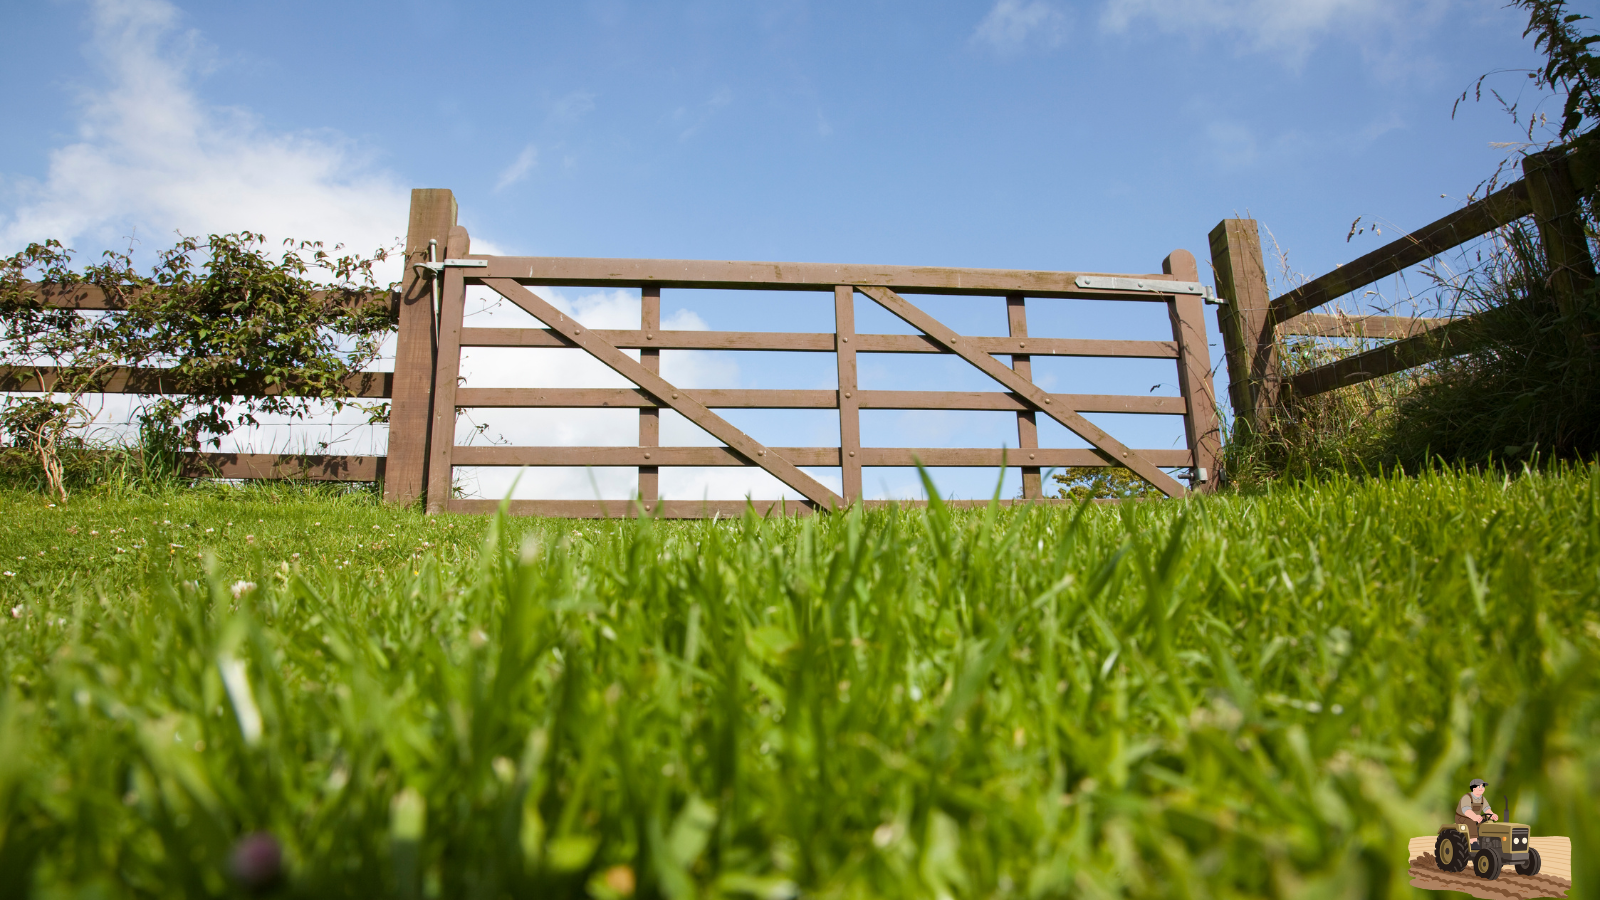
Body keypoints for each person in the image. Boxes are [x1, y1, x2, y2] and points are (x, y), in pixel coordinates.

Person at [1456, 778, 1498, 846]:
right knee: (1471, 822)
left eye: (1483, 786)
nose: (1482, 788)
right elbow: (1466, 811)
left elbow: (1487, 809)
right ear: (1474, 788)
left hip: (1476, 818)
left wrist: (1492, 815)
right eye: (1479, 786)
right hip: (1462, 818)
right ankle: (1473, 843)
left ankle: (1487, 842)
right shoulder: (1467, 797)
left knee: (1488, 822)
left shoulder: (1482, 799)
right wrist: (1474, 817)